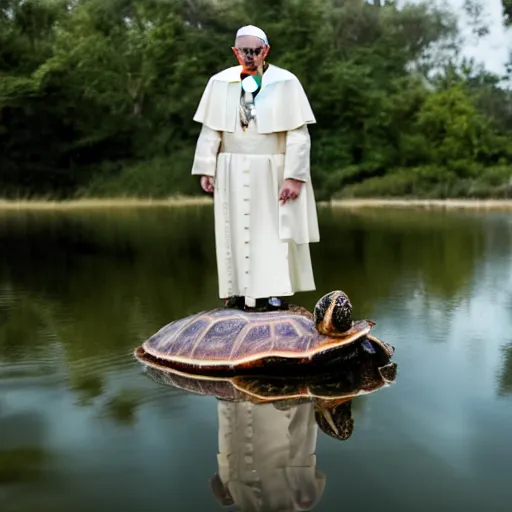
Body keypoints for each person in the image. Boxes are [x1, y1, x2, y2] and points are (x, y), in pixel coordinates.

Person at [191, 25, 320, 312]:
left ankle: (274, 292)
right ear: (235, 51)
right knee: (232, 231)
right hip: (231, 169)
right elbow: (211, 130)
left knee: (273, 232)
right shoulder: (219, 83)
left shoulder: (286, 82)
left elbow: (298, 135)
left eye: (255, 51)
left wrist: (294, 176)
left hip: (272, 170)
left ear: (266, 51)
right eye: (243, 51)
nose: (249, 57)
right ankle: (237, 292)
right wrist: (206, 169)